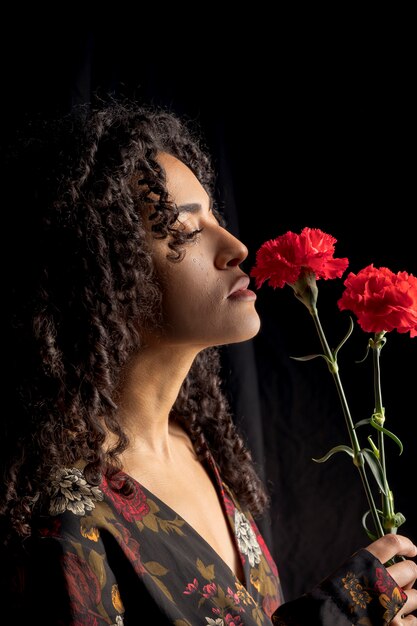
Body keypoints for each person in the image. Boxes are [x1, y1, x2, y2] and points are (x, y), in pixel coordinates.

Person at [1, 99, 416, 626]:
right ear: (102, 269)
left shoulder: (196, 447)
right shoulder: (65, 521)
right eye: (187, 229)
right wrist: (334, 617)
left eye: (215, 218)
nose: (237, 247)